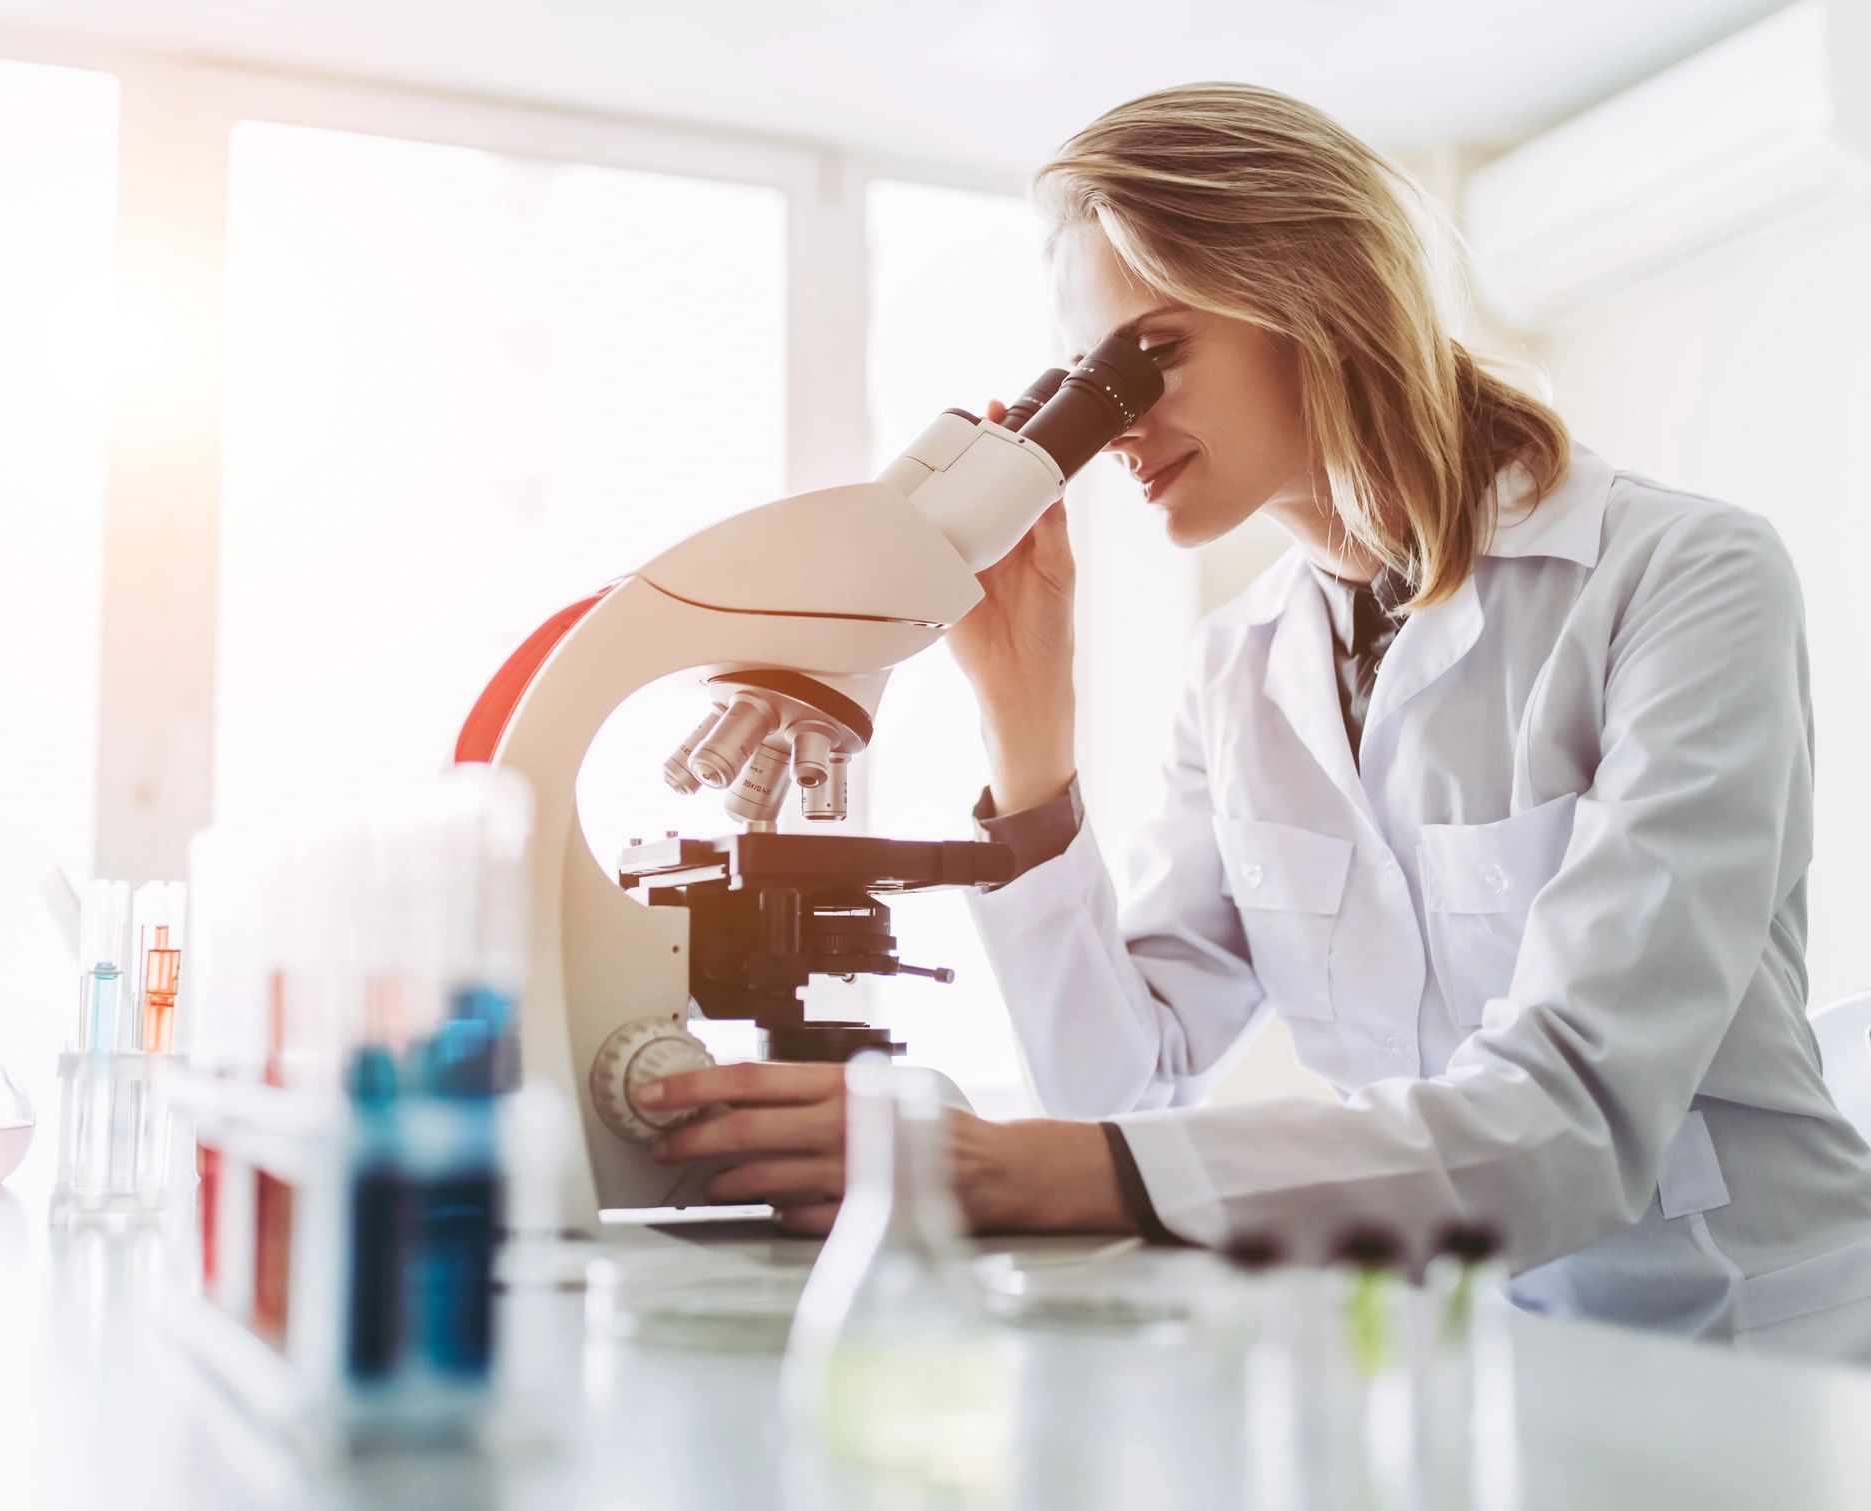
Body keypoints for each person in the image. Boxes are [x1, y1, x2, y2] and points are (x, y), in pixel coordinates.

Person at [636, 82, 1871, 1356]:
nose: (1114, 429)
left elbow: (1573, 1123)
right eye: (1087, 382)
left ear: (1317, 299)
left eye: (1151, 355)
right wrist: (1027, 723)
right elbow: (1118, 1081)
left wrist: (1013, 1167)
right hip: (1475, 1355)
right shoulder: (1242, 667)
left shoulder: (1679, 577)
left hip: (1756, 1350)